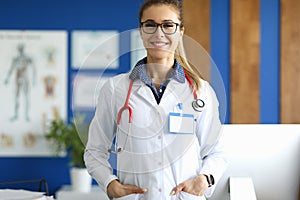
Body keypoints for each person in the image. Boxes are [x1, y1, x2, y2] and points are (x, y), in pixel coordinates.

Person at [84, 0, 227, 199]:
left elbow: (216, 151)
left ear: (180, 31)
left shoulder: (201, 91)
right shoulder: (115, 89)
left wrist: (204, 180)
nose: (159, 33)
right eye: (150, 25)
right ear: (141, 31)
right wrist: (110, 184)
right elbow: (94, 150)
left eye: (168, 25)